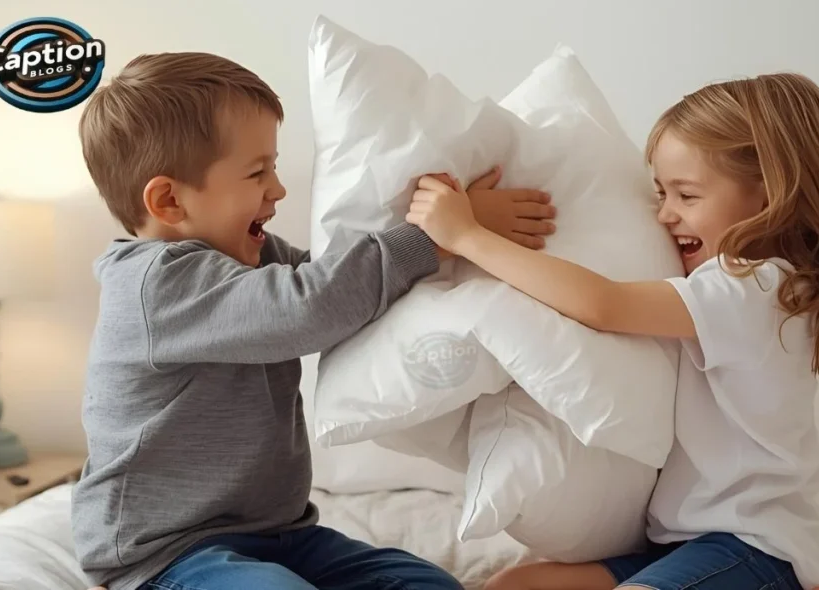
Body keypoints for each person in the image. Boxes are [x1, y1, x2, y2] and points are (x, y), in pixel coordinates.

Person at [71, 51, 556, 590]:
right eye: (258, 173)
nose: (277, 189)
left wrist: (455, 232)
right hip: (168, 554)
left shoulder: (253, 256)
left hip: (283, 533)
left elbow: (341, 281)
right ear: (168, 200)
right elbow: (310, 305)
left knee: (427, 585)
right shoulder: (154, 286)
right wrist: (434, 236)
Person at [406, 72, 819, 590]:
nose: (664, 214)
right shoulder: (731, 288)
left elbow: (603, 303)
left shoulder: (756, 285)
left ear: (771, 193)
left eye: (687, 195)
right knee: (514, 585)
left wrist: (467, 235)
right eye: (660, 192)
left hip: (754, 548)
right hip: (674, 543)